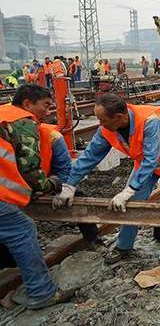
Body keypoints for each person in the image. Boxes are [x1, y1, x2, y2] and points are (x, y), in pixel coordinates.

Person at [57, 93, 160, 263]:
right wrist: (70, 184)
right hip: (148, 162)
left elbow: (151, 159)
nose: (100, 124)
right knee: (131, 202)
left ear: (119, 117)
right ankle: (123, 246)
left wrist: (129, 189)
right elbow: (90, 157)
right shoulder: (106, 130)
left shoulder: (149, 120)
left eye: (103, 120)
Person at [0, 84, 71, 309]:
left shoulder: (3, 115)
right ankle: (42, 292)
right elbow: (30, 169)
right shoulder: (23, 121)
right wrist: (51, 185)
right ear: (28, 104)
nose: (48, 111)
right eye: (46, 105)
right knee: (22, 230)